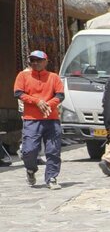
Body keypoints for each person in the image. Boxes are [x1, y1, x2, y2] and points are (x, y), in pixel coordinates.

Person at [14, 50, 64, 189]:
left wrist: (48, 104)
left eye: (38, 60)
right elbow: (18, 93)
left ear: (46, 62)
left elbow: (60, 95)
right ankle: (31, 170)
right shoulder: (23, 76)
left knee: (53, 150)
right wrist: (37, 101)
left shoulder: (53, 77)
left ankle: (52, 178)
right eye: (32, 60)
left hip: (51, 119)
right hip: (31, 119)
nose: (35, 63)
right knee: (29, 150)